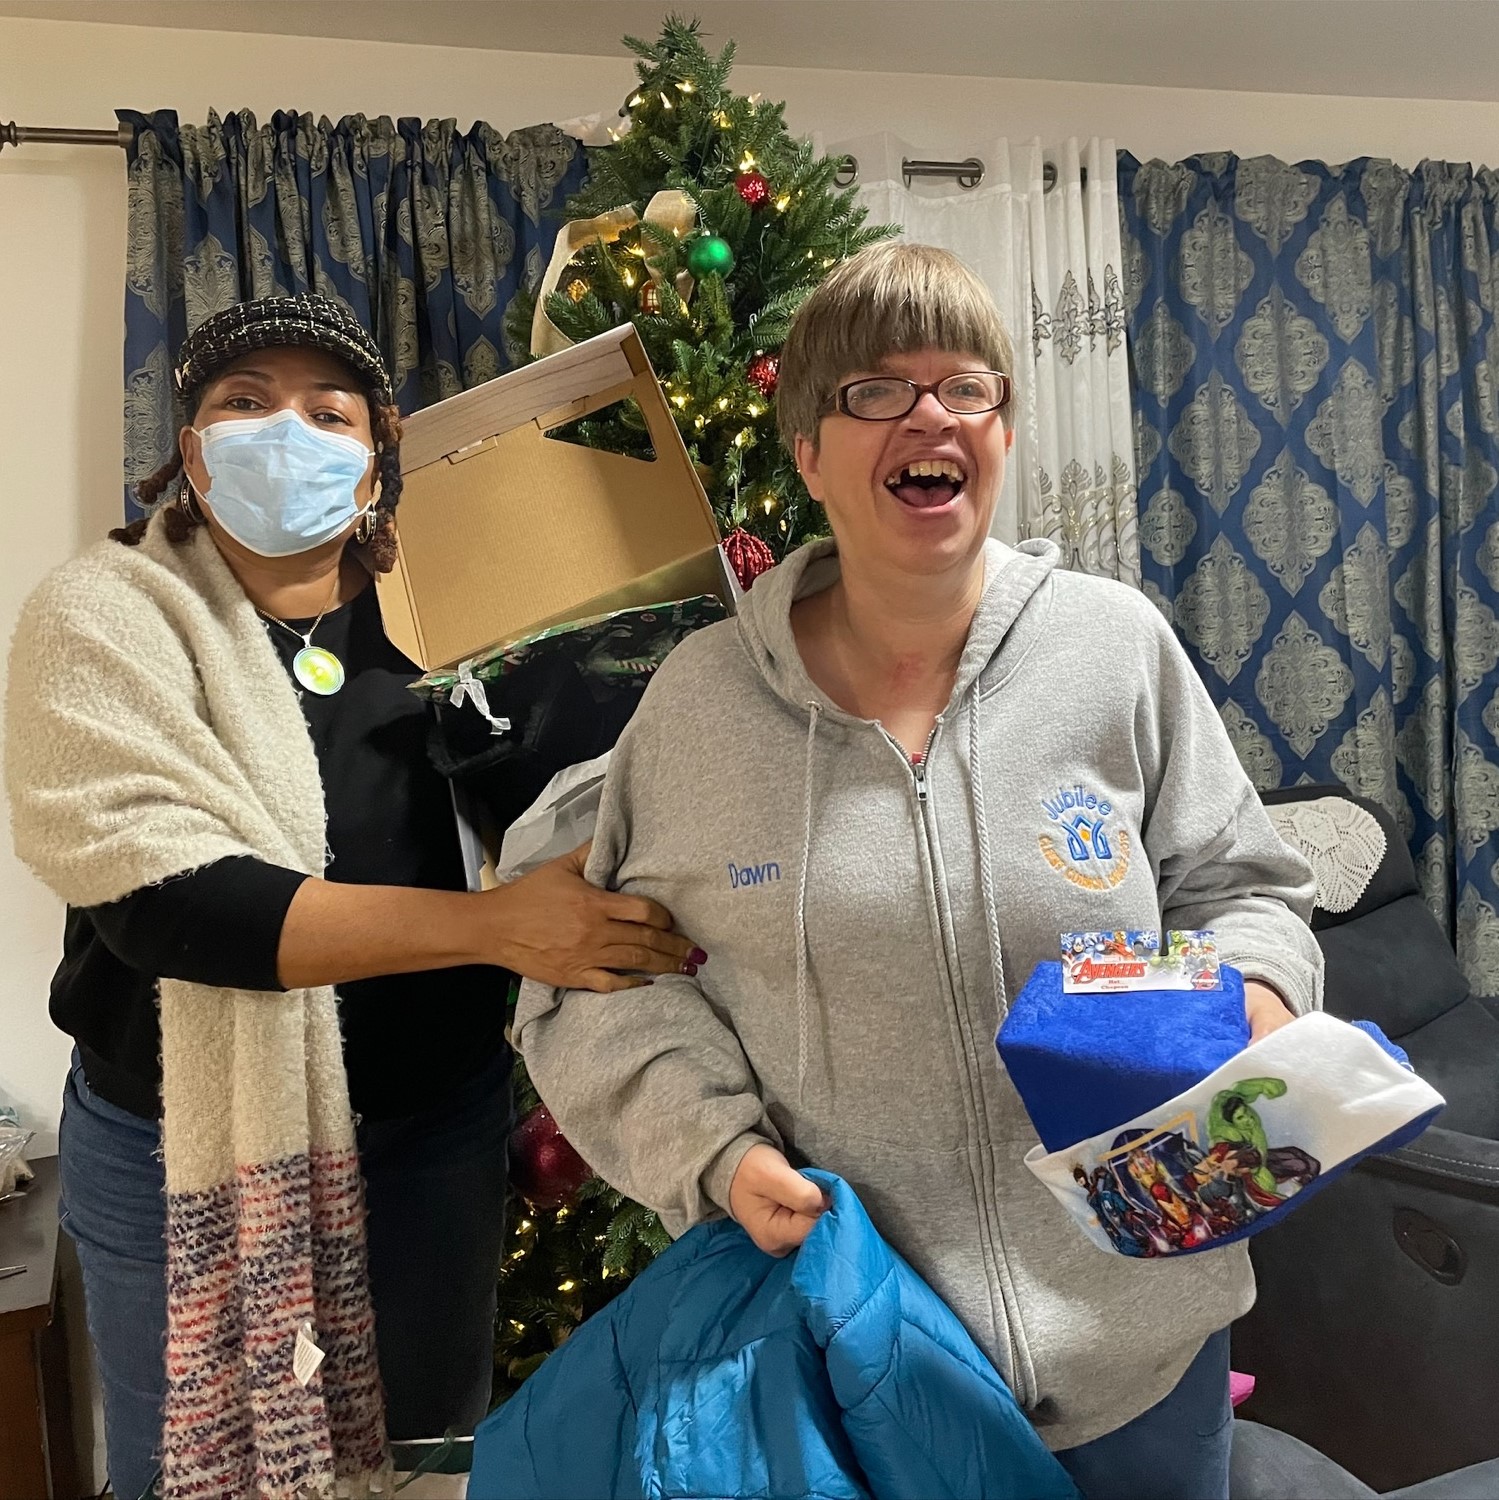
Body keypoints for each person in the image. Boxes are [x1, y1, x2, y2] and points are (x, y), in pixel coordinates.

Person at [514, 242, 1323, 1500]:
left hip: (1144, 1357)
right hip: (864, 1362)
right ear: (806, 453)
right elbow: (596, 977)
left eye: (966, 386)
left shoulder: (1114, 652)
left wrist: (1257, 999)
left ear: (999, 433)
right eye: (875, 391)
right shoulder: (701, 709)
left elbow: (1243, 888)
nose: (930, 414)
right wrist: (714, 1151)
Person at [3, 294, 702, 1500]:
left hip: (432, 1125)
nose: (285, 430)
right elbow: (169, 902)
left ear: (379, 462)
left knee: (420, 1462)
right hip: (181, 1146)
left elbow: (561, 805)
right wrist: (492, 927)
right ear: (188, 447)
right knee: (196, 1467)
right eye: (244, 401)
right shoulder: (104, 616)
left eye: (327, 412)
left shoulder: (449, 619)